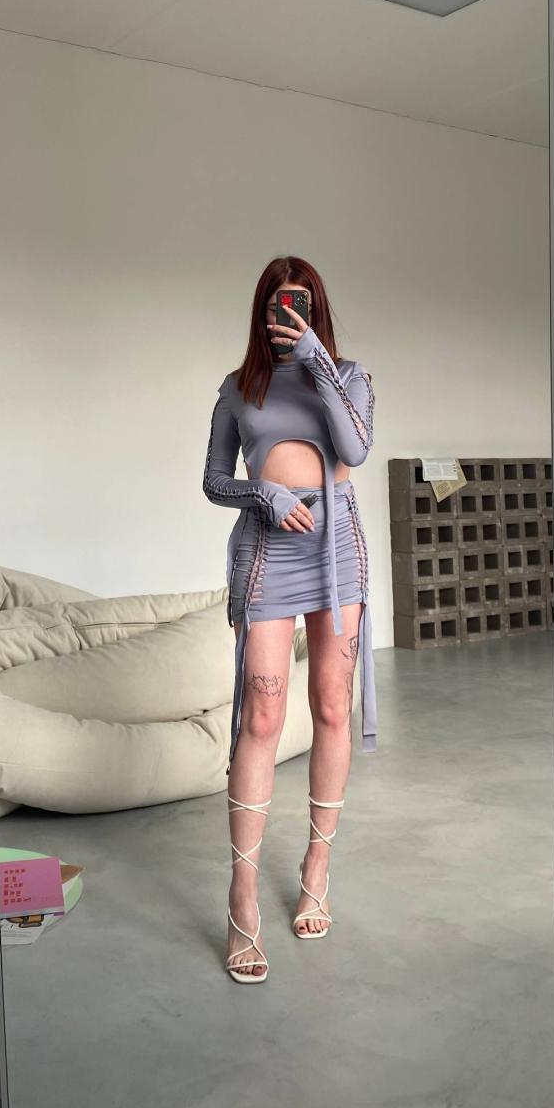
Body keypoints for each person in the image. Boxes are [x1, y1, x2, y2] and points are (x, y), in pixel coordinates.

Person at [202, 257, 377, 983]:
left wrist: (316, 360)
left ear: (317, 309)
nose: (288, 315)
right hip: (269, 550)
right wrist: (264, 496)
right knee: (264, 715)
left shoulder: (350, 375)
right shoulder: (238, 387)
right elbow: (214, 480)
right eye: (277, 305)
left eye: (300, 304)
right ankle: (242, 896)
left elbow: (355, 449)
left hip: (338, 548)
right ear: (261, 311)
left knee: (332, 707)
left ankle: (316, 867)